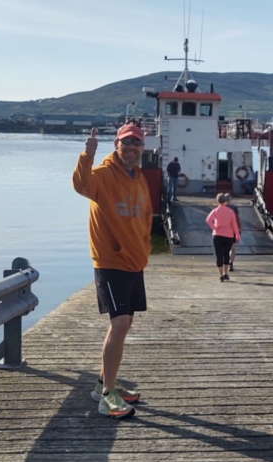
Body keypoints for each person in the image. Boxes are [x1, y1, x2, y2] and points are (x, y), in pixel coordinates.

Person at [72, 124, 152, 419]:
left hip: (134, 262)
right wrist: (87, 154)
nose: (131, 147)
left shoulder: (140, 178)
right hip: (110, 261)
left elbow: (145, 217)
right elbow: (81, 185)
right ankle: (107, 397)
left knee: (124, 325)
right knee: (119, 326)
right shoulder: (103, 175)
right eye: (125, 142)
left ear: (142, 148)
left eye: (136, 143)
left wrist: (145, 249)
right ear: (116, 144)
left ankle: (104, 383)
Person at [205, 193, 240, 282]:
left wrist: (214, 227)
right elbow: (234, 224)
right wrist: (237, 234)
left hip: (217, 235)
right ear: (226, 201)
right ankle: (226, 274)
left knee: (219, 255)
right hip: (229, 235)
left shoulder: (215, 211)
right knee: (226, 254)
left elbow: (208, 220)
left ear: (217, 201)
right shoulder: (231, 211)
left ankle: (220, 275)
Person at [227, 194, 241, 272]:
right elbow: (238, 220)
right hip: (232, 230)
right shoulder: (234, 208)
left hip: (223, 231)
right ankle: (231, 263)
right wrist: (239, 229)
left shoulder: (221, 208)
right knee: (232, 248)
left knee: (225, 248)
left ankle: (225, 262)